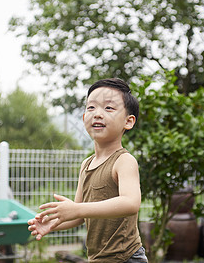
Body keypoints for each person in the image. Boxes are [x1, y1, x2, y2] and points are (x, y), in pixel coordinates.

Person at [28, 78, 148, 262]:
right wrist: (53, 223)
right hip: (97, 258)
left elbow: (131, 203)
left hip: (125, 258)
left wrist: (77, 209)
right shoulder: (86, 164)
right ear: (84, 118)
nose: (97, 114)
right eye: (91, 108)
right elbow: (78, 216)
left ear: (128, 121)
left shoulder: (124, 161)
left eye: (109, 108)